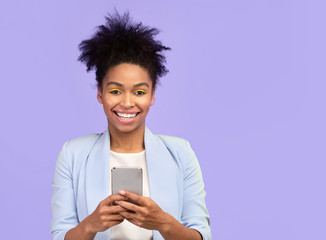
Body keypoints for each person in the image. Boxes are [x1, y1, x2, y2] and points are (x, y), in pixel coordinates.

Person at [50, 11, 211, 240]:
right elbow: (60, 235)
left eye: (139, 92)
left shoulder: (181, 153)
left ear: (152, 95)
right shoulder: (73, 155)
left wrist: (163, 222)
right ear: (100, 93)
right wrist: (91, 224)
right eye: (115, 91)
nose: (127, 102)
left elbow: (201, 236)